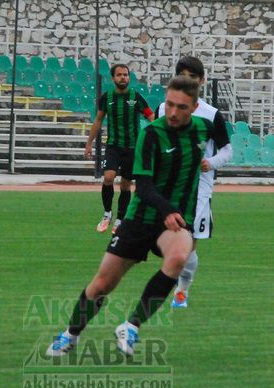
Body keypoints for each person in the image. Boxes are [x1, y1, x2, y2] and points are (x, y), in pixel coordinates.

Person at [47, 76, 228, 357]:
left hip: (175, 221)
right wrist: (167, 209)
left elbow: (227, 148)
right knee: (103, 284)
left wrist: (213, 163)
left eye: (181, 106)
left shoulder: (204, 128)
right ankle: (70, 334)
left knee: (180, 256)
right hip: (140, 218)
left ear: (194, 107)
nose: (173, 111)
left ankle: (131, 326)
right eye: (169, 104)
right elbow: (142, 186)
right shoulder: (152, 133)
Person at [155, 56, 232, 308]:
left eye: (193, 77)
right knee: (171, 242)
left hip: (199, 188)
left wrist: (210, 163)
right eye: (183, 75)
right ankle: (173, 282)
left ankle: (182, 290)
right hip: (168, 185)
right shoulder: (163, 108)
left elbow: (226, 151)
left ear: (201, 81)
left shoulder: (211, 115)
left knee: (187, 244)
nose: (187, 81)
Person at [84, 64, 155, 234]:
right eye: (119, 75)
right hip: (113, 146)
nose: (123, 77)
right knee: (108, 177)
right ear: (113, 78)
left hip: (132, 148)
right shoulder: (107, 97)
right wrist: (89, 143)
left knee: (125, 184)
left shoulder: (136, 97)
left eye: (126, 75)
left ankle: (120, 220)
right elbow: (98, 121)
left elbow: (150, 116)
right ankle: (107, 213)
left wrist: (162, 132)